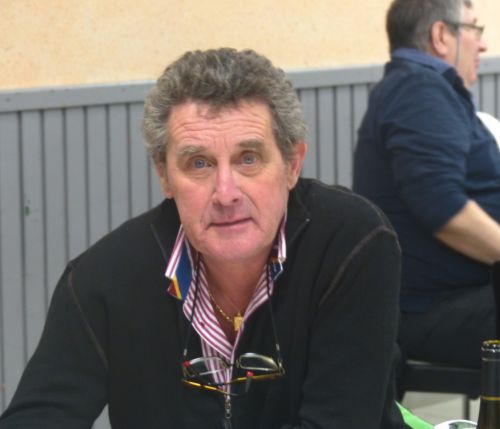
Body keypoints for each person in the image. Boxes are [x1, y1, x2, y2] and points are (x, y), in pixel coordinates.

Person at [0, 48, 407, 428]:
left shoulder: (351, 242)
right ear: (164, 176)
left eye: (248, 159)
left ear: (292, 164)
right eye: (199, 163)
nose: (226, 193)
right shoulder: (103, 280)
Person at [353, 0, 500, 370]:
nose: (482, 44)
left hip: (460, 295)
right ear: (441, 36)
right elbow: (443, 208)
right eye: (475, 29)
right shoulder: (418, 89)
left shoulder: (419, 88)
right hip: (436, 307)